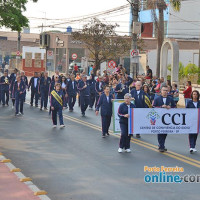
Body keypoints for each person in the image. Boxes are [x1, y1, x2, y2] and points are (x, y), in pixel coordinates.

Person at [153, 86, 176, 152]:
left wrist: (170, 107)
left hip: (167, 119)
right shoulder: (157, 98)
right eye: (164, 90)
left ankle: (161, 144)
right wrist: (161, 107)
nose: (165, 92)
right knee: (160, 131)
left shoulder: (170, 99)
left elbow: (174, 107)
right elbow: (153, 107)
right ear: (161, 91)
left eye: (166, 90)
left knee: (165, 132)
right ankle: (161, 146)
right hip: (159, 118)